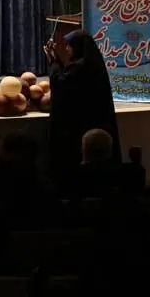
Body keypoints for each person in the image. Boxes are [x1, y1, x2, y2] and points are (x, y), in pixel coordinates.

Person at [45, 27, 120, 185]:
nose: (67, 49)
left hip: (79, 126)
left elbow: (61, 85)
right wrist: (56, 60)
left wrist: (53, 62)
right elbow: (68, 78)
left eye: (69, 45)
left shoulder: (80, 67)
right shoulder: (94, 64)